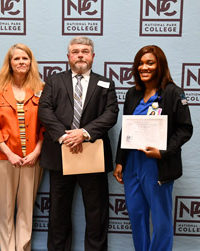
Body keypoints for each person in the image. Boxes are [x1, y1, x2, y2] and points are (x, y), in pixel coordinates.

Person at [38, 36, 119, 250]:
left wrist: (83, 133)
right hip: (61, 154)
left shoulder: (106, 83)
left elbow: (111, 114)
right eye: (75, 51)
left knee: (96, 212)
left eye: (85, 51)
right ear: (68, 56)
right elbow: (44, 111)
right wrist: (65, 137)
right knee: (58, 212)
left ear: (93, 56)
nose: (80, 55)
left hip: (93, 155)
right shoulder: (54, 81)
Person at [113, 45, 193, 251]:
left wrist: (163, 152)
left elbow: (185, 129)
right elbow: (126, 129)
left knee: (160, 219)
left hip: (157, 164)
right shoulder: (133, 93)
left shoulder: (174, 93)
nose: (144, 67)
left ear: (160, 65)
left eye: (150, 62)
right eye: (140, 63)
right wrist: (120, 161)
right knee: (137, 215)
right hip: (132, 164)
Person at [0, 43, 44, 251]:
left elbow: (46, 126)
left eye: (25, 58)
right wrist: (9, 153)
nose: (21, 62)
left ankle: (23, 248)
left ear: (31, 62)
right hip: (3, 159)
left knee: (27, 210)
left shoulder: (41, 88)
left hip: (32, 160)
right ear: (9, 63)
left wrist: (37, 152)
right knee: (6, 210)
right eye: (16, 58)